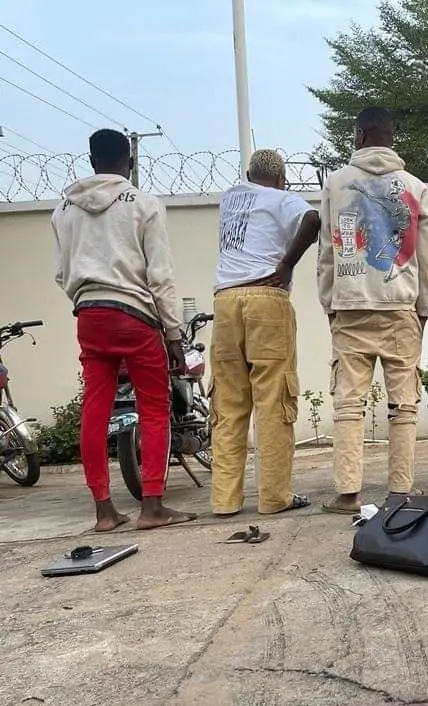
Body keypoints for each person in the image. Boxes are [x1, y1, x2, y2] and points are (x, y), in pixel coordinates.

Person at [52, 129, 195, 531]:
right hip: (135, 316)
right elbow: (160, 277)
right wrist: (173, 334)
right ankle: (152, 506)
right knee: (154, 407)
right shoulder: (144, 205)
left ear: (91, 160)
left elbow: (61, 273)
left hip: (89, 315)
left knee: (95, 410)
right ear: (129, 163)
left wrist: (87, 297)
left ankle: (104, 511)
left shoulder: (63, 210)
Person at [318, 107, 428, 513]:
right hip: (400, 305)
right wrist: (423, 307)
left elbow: (327, 249)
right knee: (404, 405)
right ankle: (400, 491)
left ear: (360, 134)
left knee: (349, 403)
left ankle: (348, 493)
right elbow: (424, 255)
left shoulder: (336, 183)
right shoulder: (415, 187)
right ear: (391, 137)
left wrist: (329, 302)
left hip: (350, 305)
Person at [209, 149, 320, 517]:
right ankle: (274, 497)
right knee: (273, 400)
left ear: (247, 175)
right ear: (283, 180)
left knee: (228, 403)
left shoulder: (230, 198)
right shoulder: (282, 198)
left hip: (226, 300)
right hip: (266, 297)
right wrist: (286, 264)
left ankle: (225, 500)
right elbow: (313, 219)